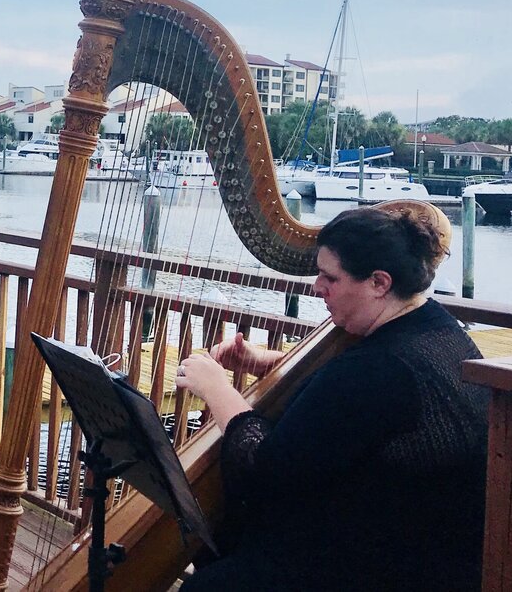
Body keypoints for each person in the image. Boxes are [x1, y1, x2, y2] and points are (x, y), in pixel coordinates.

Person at [176, 206, 488, 592]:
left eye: (330, 277)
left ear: (379, 282)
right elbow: (350, 407)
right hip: (432, 545)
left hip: (393, 566)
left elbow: (264, 468)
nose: (316, 287)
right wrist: (266, 362)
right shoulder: (435, 328)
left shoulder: (380, 369)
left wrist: (215, 388)